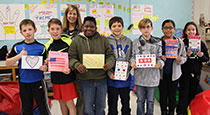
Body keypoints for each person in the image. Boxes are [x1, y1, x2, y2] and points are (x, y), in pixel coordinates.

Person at [68, 16, 115, 115]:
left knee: (100, 107)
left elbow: (110, 55)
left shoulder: (103, 40)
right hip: (84, 80)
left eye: (92, 26)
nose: (89, 28)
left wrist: (109, 63)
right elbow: (71, 57)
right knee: (87, 109)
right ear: (82, 27)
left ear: (96, 28)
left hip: (101, 79)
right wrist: (77, 65)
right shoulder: (76, 41)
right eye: (86, 26)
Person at [6, 19, 51, 115]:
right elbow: (8, 63)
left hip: (38, 81)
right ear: (21, 32)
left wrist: (45, 67)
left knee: (43, 108)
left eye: (30, 29)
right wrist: (20, 55)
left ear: (35, 30)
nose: (28, 32)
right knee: (26, 108)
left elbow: (45, 64)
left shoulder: (42, 47)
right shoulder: (17, 47)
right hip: (24, 82)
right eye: (25, 30)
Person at [130, 18, 164, 115]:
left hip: (152, 77)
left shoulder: (157, 42)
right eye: (143, 27)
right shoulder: (135, 42)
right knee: (140, 100)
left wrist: (160, 63)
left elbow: (160, 57)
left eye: (148, 27)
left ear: (152, 28)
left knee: (150, 100)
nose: (146, 29)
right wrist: (132, 62)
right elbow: (132, 56)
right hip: (140, 76)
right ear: (140, 29)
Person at [45, 18, 78, 115]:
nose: (55, 31)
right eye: (52, 29)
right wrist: (46, 62)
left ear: (61, 29)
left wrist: (70, 68)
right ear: (49, 30)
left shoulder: (68, 42)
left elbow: (74, 58)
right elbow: (47, 63)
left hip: (67, 78)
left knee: (69, 103)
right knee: (61, 102)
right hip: (55, 79)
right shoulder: (47, 45)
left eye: (57, 29)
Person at [176, 22, 209, 115]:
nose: (191, 32)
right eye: (189, 30)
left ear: (196, 31)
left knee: (192, 96)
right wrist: (185, 55)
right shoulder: (182, 43)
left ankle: (191, 112)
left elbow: (206, 59)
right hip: (184, 74)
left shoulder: (201, 44)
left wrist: (202, 55)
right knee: (183, 96)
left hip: (196, 75)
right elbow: (177, 58)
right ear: (185, 31)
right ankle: (181, 113)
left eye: (193, 30)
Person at [159, 19, 187, 115]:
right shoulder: (158, 42)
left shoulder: (179, 42)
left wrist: (180, 59)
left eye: (170, 28)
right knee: (163, 95)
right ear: (162, 29)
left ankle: (171, 111)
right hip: (161, 74)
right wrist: (160, 57)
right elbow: (153, 55)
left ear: (174, 29)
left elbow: (184, 57)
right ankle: (163, 111)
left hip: (174, 74)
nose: (168, 30)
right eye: (166, 28)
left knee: (172, 95)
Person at [107, 16, 132, 115]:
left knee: (125, 102)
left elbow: (131, 57)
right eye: (114, 26)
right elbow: (104, 59)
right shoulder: (106, 41)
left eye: (119, 25)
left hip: (125, 78)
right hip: (111, 78)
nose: (117, 28)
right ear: (110, 28)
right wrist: (109, 73)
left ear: (123, 27)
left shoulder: (128, 41)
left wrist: (127, 72)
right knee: (112, 103)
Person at [62, 5, 83, 115]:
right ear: (66, 15)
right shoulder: (61, 31)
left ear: (78, 16)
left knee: (81, 95)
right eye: (70, 13)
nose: (72, 16)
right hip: (65, 68)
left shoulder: (82, 31)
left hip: (78, 66)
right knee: (67, 97)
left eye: (74, 14)